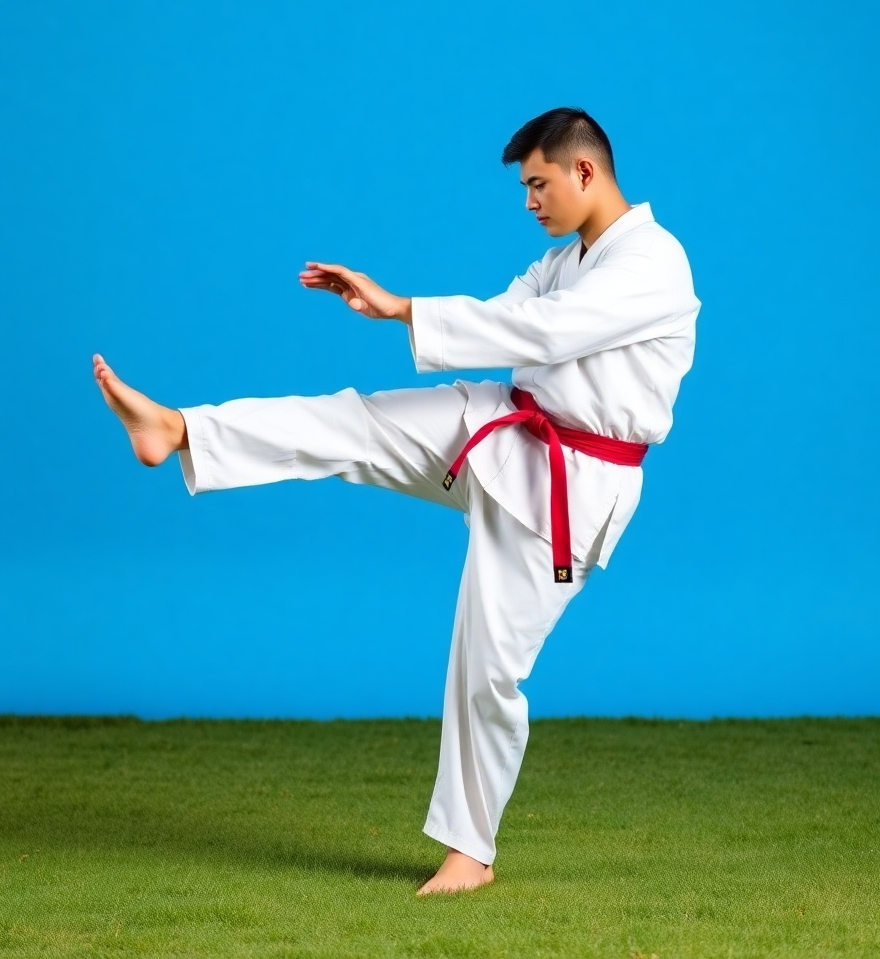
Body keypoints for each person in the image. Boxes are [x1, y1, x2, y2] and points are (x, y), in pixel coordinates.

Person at [92, 106, 701, 895]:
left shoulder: (654, 261)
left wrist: (403, 306)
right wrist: (401, 309)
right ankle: (179, 432)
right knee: (355, 422)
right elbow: (515, 319)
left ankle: (470, 853)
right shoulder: (568, 257)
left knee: (485, 668)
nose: (530, 202)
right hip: (503, 427)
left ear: (585, 171)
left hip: (567, 489)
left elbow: (546, 335)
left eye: (539, 183)